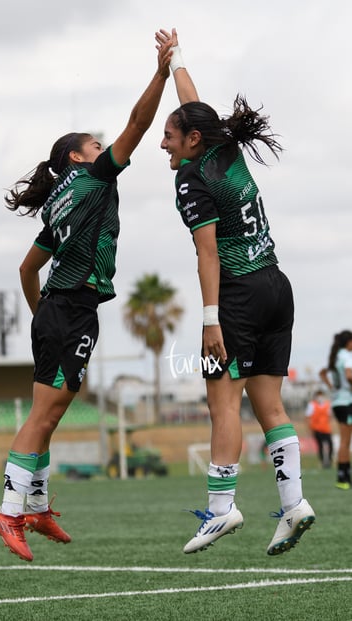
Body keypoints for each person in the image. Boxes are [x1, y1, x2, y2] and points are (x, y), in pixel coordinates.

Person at [0, 39, 173, 562]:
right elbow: (137, 125)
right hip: (71, 308)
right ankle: (9, 509)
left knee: (49, 412)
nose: (104, 147)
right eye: (95, 143)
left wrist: (39, 313)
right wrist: (159, 75)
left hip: (56, 309)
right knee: (44, 417)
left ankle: (39, 506)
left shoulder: (57, 203)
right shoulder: (92, 179)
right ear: (77, 156)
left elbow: (28, 268)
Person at [155, 28, 315, 556]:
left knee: (223, 406)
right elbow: (192, 105)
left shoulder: (190, 179)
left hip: (240, 294)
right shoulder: (222, 143)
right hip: (277, 284)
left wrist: (210, 321)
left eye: (170, 137)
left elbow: (207, 255)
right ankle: (293, 504)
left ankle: (221, 510)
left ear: (191, 141)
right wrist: (175, 58)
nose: (164, 144)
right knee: (269, 406)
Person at [320, 330, 352, 489]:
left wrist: (332, 387)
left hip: (338, 402)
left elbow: (322, 373)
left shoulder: (335, 356)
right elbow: (349, 375)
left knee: (344, 441)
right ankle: (343, 477)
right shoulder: (346, 355)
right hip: (347, 402)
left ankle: (344, 476)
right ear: (348, 342)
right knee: (346, 441)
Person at [304, 390, 333, 468]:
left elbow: (329, 416)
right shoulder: (312, 405)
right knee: (320, 445)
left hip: (326, 429)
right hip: (317, 429)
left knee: (330, 444)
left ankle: (329, 460)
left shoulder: (327, 404)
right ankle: (322, 461)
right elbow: (307, 417)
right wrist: (309, 428)